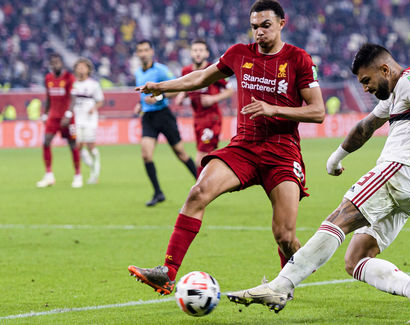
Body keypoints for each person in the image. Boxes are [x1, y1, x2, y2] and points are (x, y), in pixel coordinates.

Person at [226, 43, 410, 323]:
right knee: (355, 260)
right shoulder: (394, 93)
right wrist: (336, 157)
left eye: (366, 81)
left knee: (337, 219)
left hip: (398, 170)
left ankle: (279, 287)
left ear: (384, 69)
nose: (365, 88)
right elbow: (365, 128)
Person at [128, 0, 325, 296]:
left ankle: (286, 282)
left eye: (266, 26)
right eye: (255, 26)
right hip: (244, 147)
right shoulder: (238, 54)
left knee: (284, 235)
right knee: (197, 193)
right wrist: (162, 86)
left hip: (282, 152)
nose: (259, 32)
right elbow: (200, 78)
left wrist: (273, 109)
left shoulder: (298, 59)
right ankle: (167, 273)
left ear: (282, 23)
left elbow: (318, 112)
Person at [133, 40, 198, 207]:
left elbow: (177, 88)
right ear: (137, 53)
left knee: (181, 154)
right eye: (140, 50)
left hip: (164, 115)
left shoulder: (161, 70)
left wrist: (159, 97)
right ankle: (158, 192)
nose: (143, 53)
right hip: (148, 117)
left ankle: (203, 185)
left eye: (146, 49)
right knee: (146, 154)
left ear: (151, 52)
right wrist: (141, 105)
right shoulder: (138, 72)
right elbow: (145, 97)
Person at [175, 39, 234, 174]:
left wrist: (214, 98)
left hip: (211, 119)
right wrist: (182, 95)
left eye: (201, 50)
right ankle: (213, 183)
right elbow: (187, 87)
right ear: (191, 53)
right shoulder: (186, 71)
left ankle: (201, 189)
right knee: (208, 156)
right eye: (195, 50)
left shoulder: (214, 70)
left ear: (206, 53)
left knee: (200, 158)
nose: (198, 53)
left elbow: (230, 90)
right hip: (197, 119)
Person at [36, 53, 82, 188]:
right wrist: (45, 114)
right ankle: (49, 175)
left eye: (57, 62)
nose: (55, 65)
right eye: (53, 63)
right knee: (46, 142)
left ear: (62, 63)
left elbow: (73, 98)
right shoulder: (48, 78)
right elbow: (48, 97)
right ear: (50, 64)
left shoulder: (69, 78)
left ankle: (77, 175)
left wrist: (68, 114)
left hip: (68, 118)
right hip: (53, 117)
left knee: (73, 145)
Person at [71, 58, 104, 184]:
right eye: (78, 67)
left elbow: (100, 101)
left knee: (90, 145)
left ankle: (96, 169)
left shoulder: (94, 85)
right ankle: (92, 167)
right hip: (76, 119)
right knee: (77, 146)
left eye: (83, 67)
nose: (80, 69)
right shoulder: (73, 84)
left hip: (89, 120)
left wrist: (93, 108)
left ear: (88, 69)